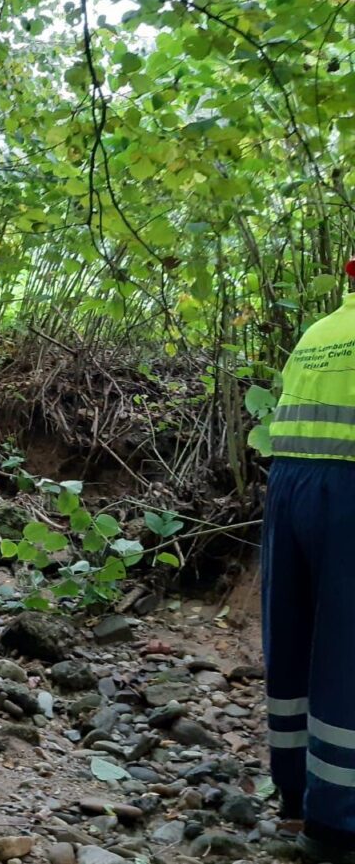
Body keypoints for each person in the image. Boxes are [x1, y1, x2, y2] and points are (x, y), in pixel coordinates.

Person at [263, 261, 355, 863]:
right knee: (346, 650)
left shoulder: (319, 332)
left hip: (288, 488)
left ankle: (294, 799)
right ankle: (341, 820)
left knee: (292, 639)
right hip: (349, 492)